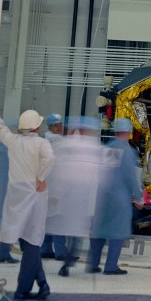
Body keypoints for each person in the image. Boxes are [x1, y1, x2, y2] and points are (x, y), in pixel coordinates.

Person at [0, 92, 53, 301]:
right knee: (32, 242)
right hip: (35, 194)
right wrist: (41, 177)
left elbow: (0, 128)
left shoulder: (13, 141)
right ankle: (24, 289)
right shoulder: (42, 144)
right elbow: (49, 158)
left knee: (25, 240)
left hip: (16, 195)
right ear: (38, 127)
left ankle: (42, 284)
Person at [47, 116, 104, 276]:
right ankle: (68, 260)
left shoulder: (69, 144)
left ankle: (66, 260)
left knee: (69, 227)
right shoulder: (92, 146)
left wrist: (56, 192)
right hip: (79, 196)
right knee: (75, 230)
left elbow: (60, 170)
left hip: (72, 196)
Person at [87, 117, 142, 275]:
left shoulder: (105, 149)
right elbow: (130, 176)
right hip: (120, 198)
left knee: (100, 230)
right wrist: (138, 196)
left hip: (103, 196)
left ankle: (93, 264)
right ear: (128, 132)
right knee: (117, 232)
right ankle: (111, 266)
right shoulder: (127, 151)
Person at [40, 113, 68, 261]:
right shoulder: (60, 142)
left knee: (47, 218)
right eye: (57, 125)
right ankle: (61, 252)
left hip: (46, 186)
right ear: (50, 126)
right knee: (58, 219)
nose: (60, 127)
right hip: (57, 186)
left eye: (61, 124)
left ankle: (45, 249)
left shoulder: (44, 141)